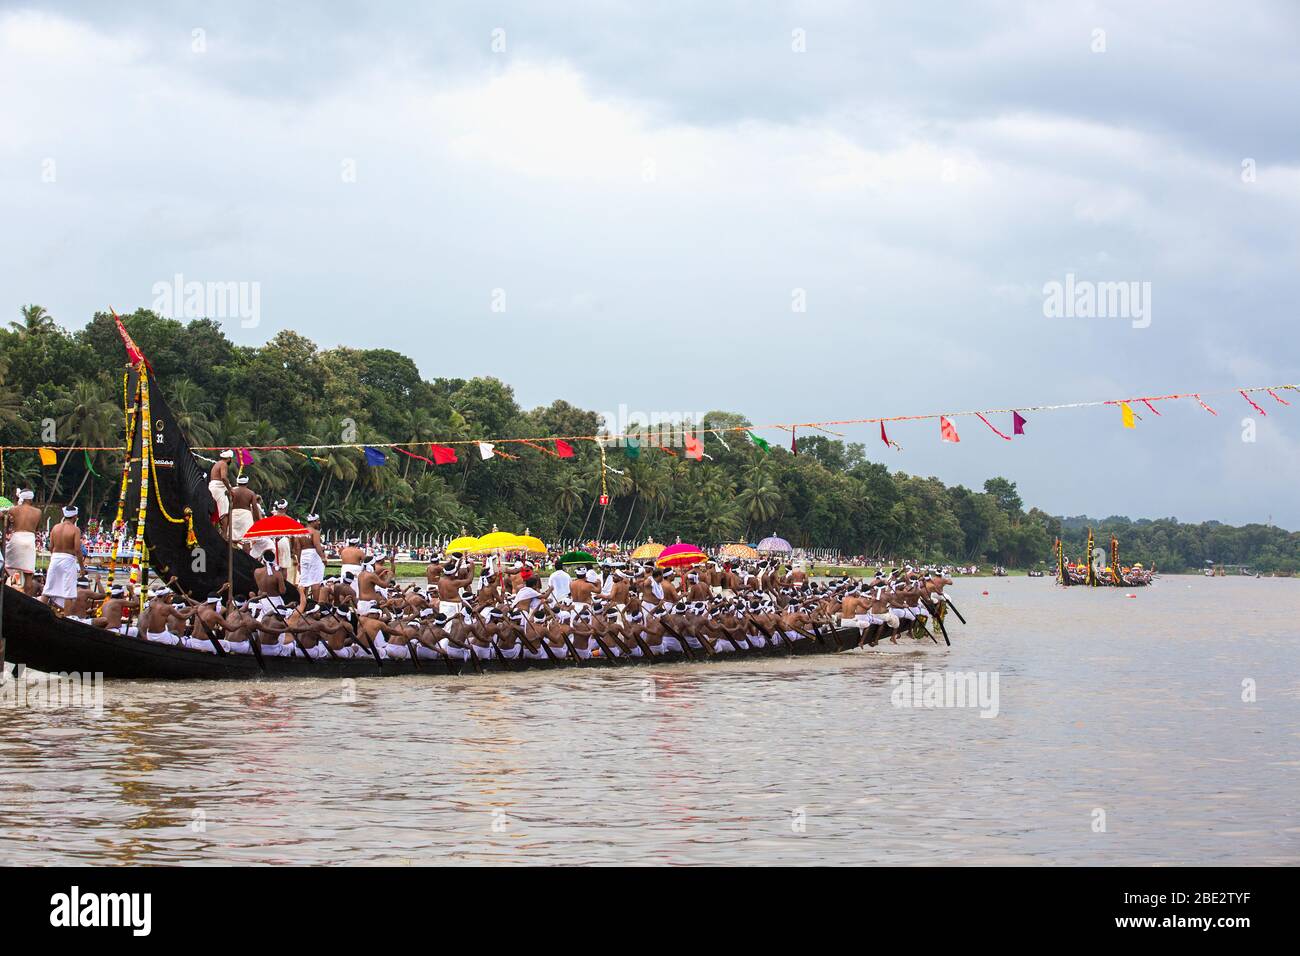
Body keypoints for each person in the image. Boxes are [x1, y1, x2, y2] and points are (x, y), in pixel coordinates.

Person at [41, 506, 84, 609]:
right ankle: (67, 617)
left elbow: (51, 546)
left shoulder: (55, 527)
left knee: (48, 589)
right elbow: (78, 550)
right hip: (68, 560)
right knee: (68, 593)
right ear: (75, 516)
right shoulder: (75, 529)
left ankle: (38, 612)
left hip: (55, 558)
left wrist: (56, 557)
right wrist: (82, 568)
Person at [3, 489, 40, 587]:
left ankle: (4, 586)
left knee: (3, 563)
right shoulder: (38, 512)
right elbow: (36, 529)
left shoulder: (13, 509)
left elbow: (7, 529)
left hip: (16, 537)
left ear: (21, 498)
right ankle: (27, 598)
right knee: (28, 575)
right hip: (30, 539)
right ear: (31, 499)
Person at [295, 513, 326, 599]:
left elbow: (298, 548)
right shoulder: (315, 532)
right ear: (313, 522)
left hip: (303, 555)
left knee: (303, 581)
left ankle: (302, 602)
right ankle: (315, 604)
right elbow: (317, 545)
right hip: (313, 555)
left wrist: (299, 561)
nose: (319, 523)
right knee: (315, 581)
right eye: (317, 521)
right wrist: (323, 557)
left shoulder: (300, 532)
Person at [208, 450, 235, 537]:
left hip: (213, 487)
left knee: (214, 510)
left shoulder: (217, 463)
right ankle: (224, 535)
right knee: (224, 511)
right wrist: (230, 489)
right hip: (218, 488)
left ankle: (213, 532)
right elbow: (223, 478)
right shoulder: (223, 464)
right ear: (229, 458)